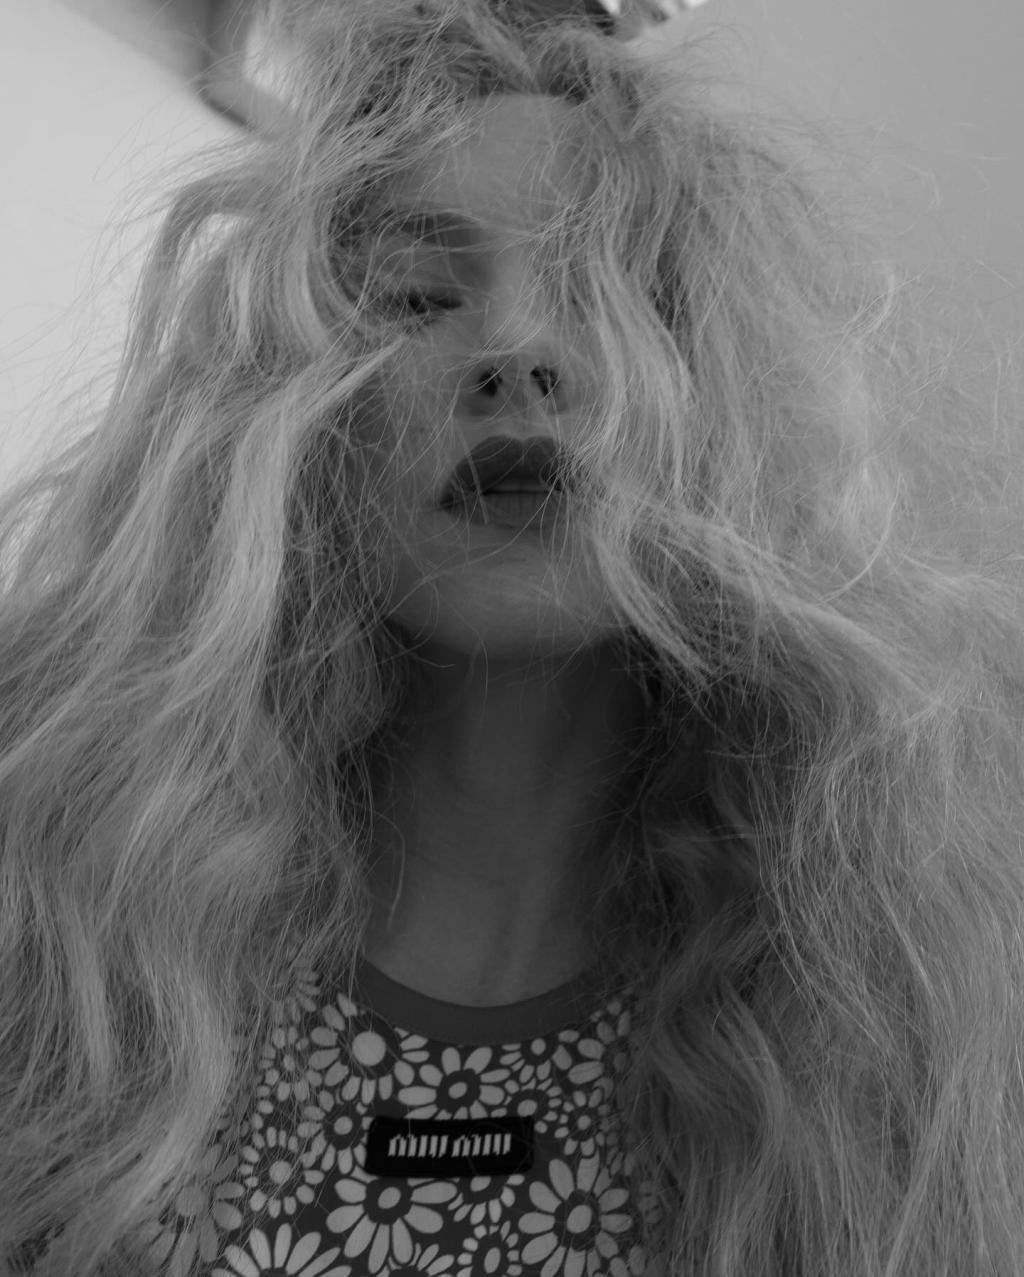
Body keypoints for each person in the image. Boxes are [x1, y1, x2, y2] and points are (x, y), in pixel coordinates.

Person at [1, 0, 1023, 1273]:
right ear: (289, 416)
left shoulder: (914, 1025)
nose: (518, 351)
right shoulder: (68, 938)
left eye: (613, 291)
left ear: (736, 405)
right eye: (416, 296)